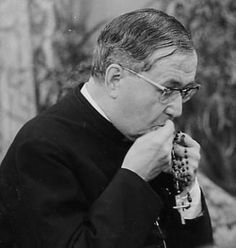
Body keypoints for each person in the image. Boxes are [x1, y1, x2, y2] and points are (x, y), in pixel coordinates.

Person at [0, 8, 213, 248]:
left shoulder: (144, 127)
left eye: (184, 92)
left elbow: (199, 245)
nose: (177, 110)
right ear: (115, 79)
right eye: (166, 90)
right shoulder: (40, 147)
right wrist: (136, 176)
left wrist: (186, 186)